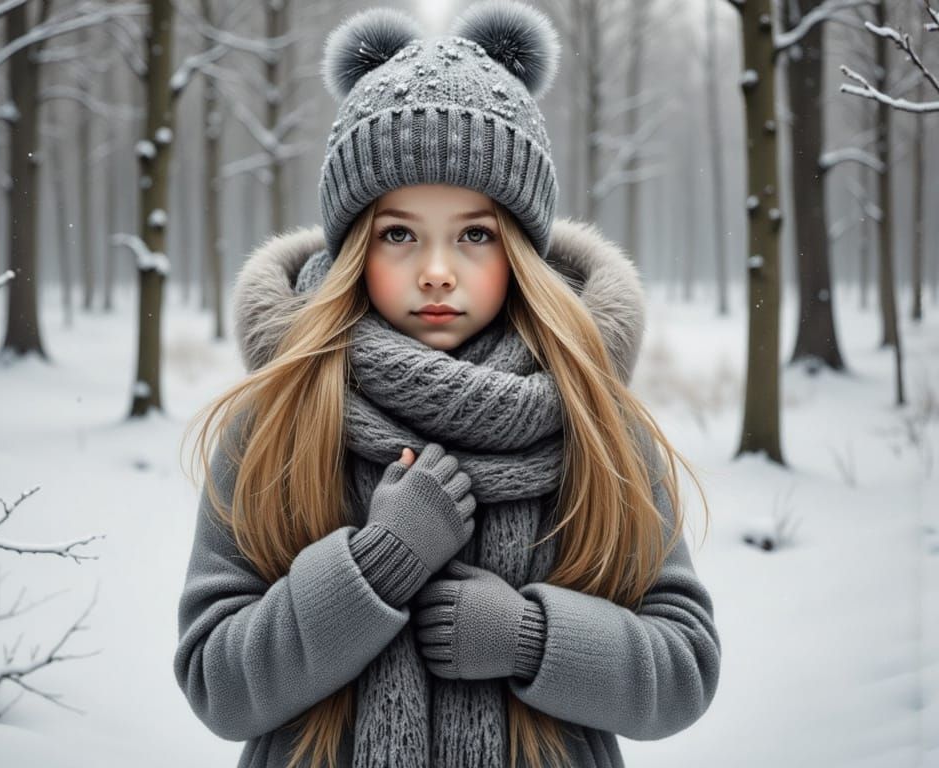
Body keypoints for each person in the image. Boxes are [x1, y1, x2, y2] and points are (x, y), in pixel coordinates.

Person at [173, 2, 721, 768]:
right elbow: (217, 683)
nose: (437, 270)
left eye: (475, 234)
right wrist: (376, 565)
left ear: (522, 248)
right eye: (399, 234)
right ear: (355, 247)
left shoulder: (594, 423)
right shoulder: (282, 417)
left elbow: (683, 668)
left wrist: (531, 639)